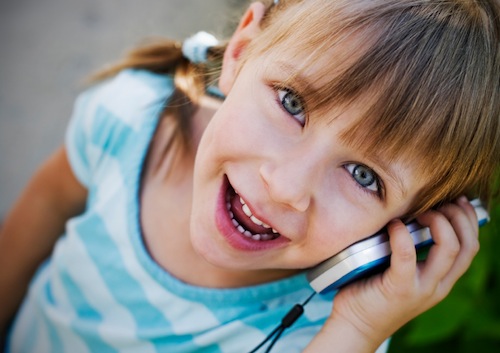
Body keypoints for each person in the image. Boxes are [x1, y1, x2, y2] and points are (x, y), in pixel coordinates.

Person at [1, 0, 499, 352]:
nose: (285, 187)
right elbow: (46, 204)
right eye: (292, 102)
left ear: (416, 224)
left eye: (364, 176)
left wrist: (360, 331)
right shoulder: (129, 119)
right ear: (241, 50)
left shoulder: (332, 326)